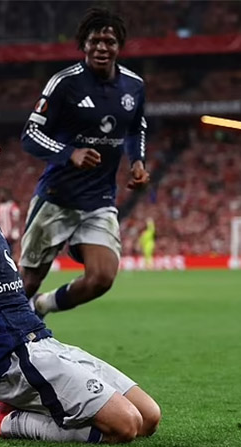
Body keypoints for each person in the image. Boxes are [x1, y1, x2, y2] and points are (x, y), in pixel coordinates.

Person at [0, 100, 160, 444]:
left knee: (149, 416)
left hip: (42, 343)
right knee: (125, 426)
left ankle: (15, 410)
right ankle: (5, 423)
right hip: (8, 360)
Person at [20, 7, 150, 318]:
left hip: (99, 200)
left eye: (109, 41)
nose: (102, 47)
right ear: (84, 45)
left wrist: (137, 161)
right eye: (94, 41)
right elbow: (30, 134)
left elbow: (136, 127)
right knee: (27, 283)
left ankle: (42, 306)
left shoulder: (134, 86)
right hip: (57, 197)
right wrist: (70, 153)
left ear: (119, 46)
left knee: (102, 278)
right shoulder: (64, 83)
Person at [0, 188, 21, 262]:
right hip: (3, 233)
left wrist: (13, 230)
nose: (1, 196)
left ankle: (11, 262)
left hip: (10, 233)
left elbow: (16, 217)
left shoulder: (12, 205)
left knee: (10, 250)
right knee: (6, 250)